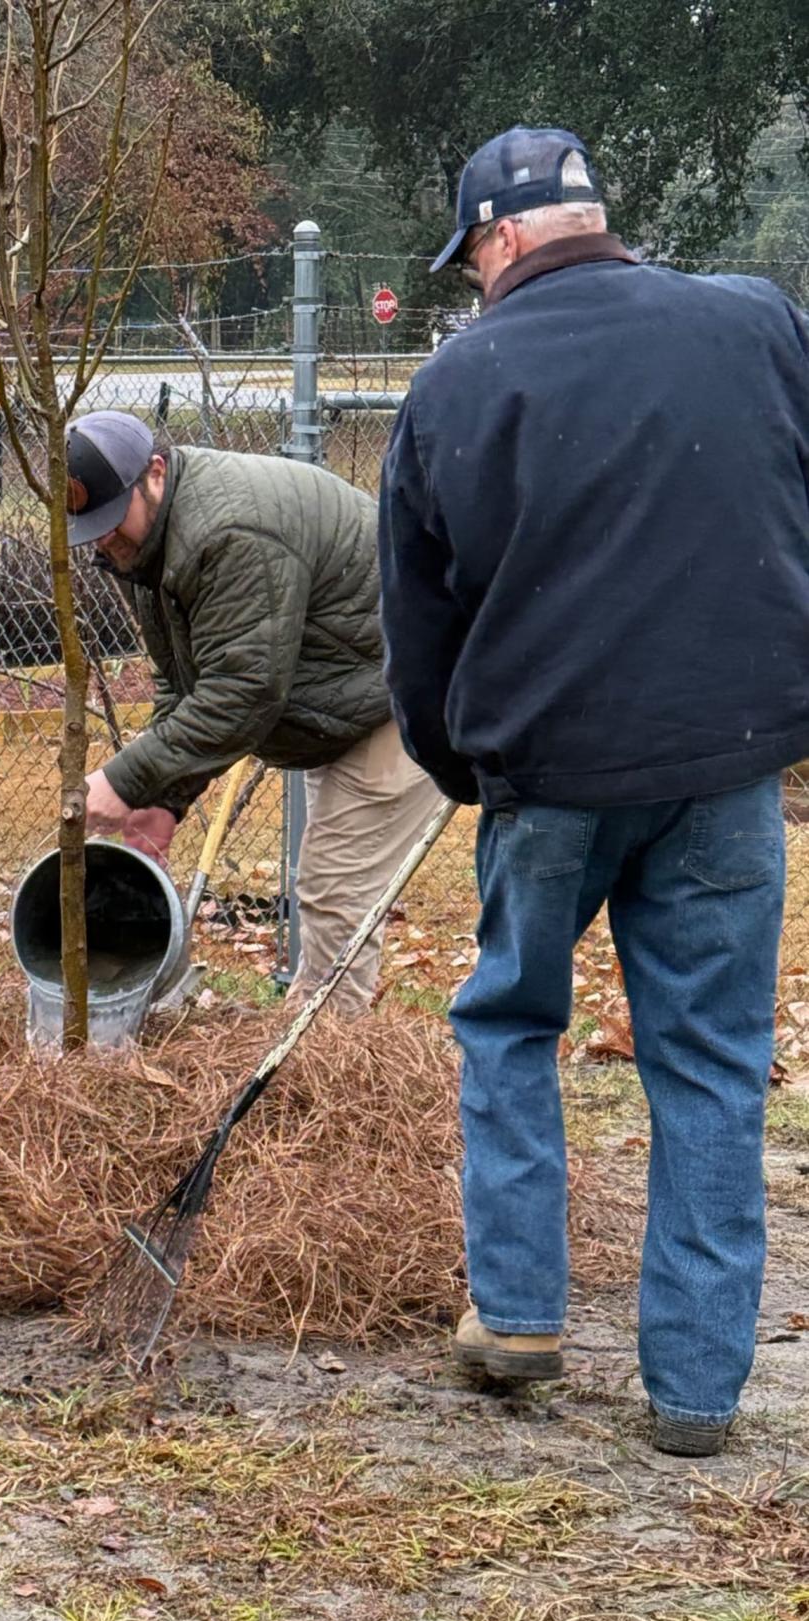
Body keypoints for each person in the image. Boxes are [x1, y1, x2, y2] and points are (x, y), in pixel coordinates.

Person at [378, 125, 809, 1455]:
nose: (471, 287)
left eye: (469, 263)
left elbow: (419, 631)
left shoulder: (455, 386)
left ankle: (513, 1318)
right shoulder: (757, 324)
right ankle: (693, 1394)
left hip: (546, 782)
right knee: (712, 1067)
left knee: (510, 1022)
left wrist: (470, 771)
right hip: (727, 766)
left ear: (499, 240)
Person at [65, 411, 437, 1011]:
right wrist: (164, 798)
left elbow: (244, 692)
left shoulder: (228, 532)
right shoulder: (144, 544)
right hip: (339, 700)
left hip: (397, 691)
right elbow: (180, 682)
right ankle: (315, 1047)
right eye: (92, 527)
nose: (104, 539)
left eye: (110, 521)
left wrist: (124, 779)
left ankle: (325, 1072)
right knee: (333, 889)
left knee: (334, 892)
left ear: (154, 473)